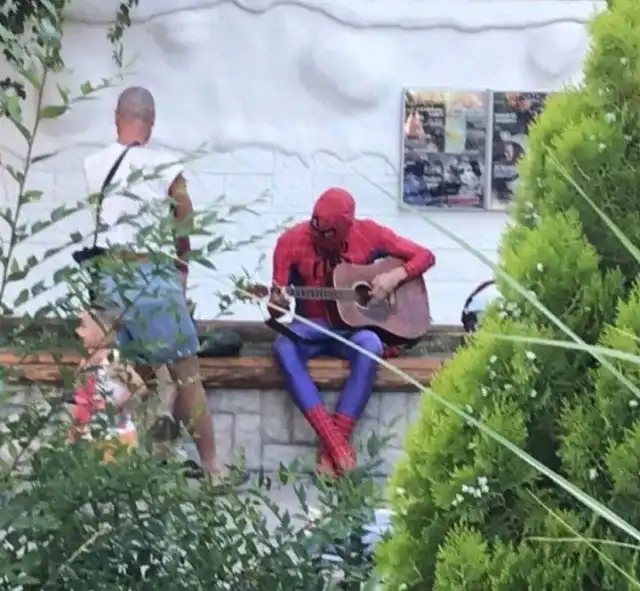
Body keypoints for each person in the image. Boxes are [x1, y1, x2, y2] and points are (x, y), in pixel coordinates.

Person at [80, 86, 221, 480]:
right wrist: (182, 262)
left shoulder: (93, 164)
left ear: (116, 117)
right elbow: (184, 215)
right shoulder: (166, 165)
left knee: (115, 374)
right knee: (186, 372)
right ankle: (213, 468)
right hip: (152, 273)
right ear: (152, 123)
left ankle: (111, 466)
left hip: (107, 275)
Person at [269, 187, 436, 478]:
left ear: (347, 227)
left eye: (329, 234)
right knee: (283, 346)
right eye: (317, 231)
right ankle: (335, 443)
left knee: (371, 344)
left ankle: (332, 449)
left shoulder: (368, 234)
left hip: (352, 331)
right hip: (311, 328)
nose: (320, 238)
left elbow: (425, 256)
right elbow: (275, 310)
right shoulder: (290, 242)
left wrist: (394, 277)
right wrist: (276, 304)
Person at [70, 308, 146, 462]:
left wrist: (118, 405)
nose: (78, 331)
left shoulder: (114, 361)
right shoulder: (85, 361)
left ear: (105, 331)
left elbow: (141, 389)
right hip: (88, 431)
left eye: (84, 326)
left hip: (116, 435)